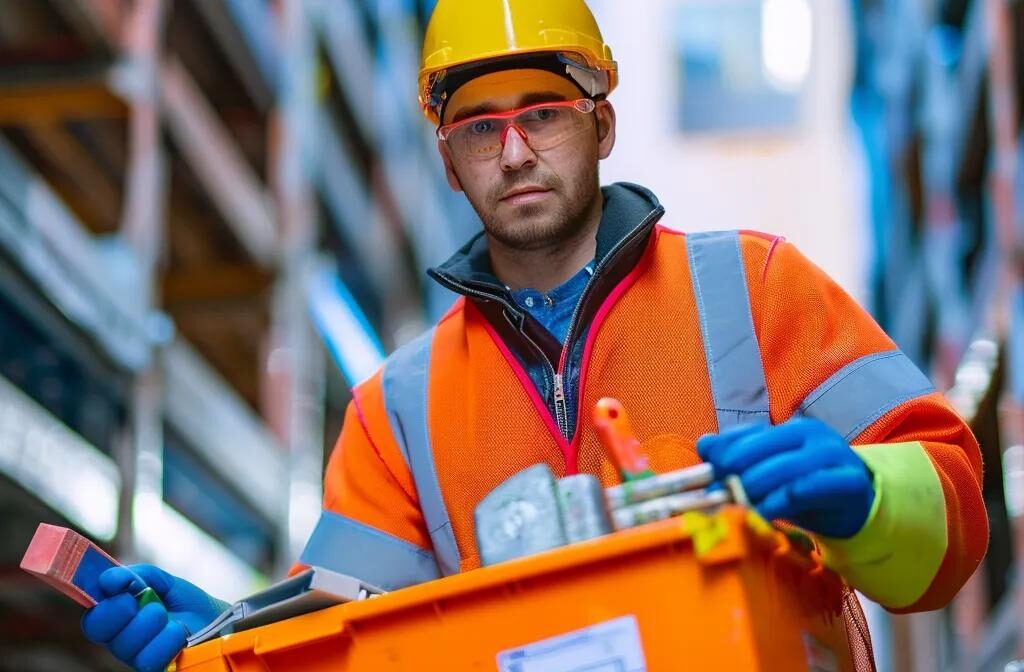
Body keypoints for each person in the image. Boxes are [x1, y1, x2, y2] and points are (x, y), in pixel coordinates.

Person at [81, 1, 988, 670]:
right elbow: (342, 643)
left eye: (543, 114)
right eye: (480, 128)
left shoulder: (752, 287)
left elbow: (950, 524)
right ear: (448, 162)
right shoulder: (396, 412)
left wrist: (872, 494)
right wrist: (226, 643)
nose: (513, 153)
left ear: (602, 125)